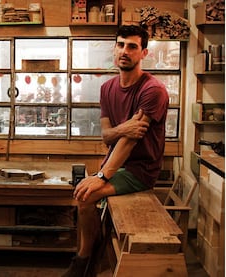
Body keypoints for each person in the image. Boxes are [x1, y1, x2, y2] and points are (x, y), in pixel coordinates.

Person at [61, 24, 169, 277]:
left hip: (140, 169)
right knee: (84, 193)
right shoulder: (107, 88)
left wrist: (101, 177)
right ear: (114, 48)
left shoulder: (152, 90)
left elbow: (130, 141)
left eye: (132, 46)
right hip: (115, 162)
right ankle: (94, 252)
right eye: (121, 44)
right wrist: (123, 128)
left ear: (144, 53)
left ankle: (83, 261)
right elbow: (107, 135)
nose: (125, 51)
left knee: (85, 196)